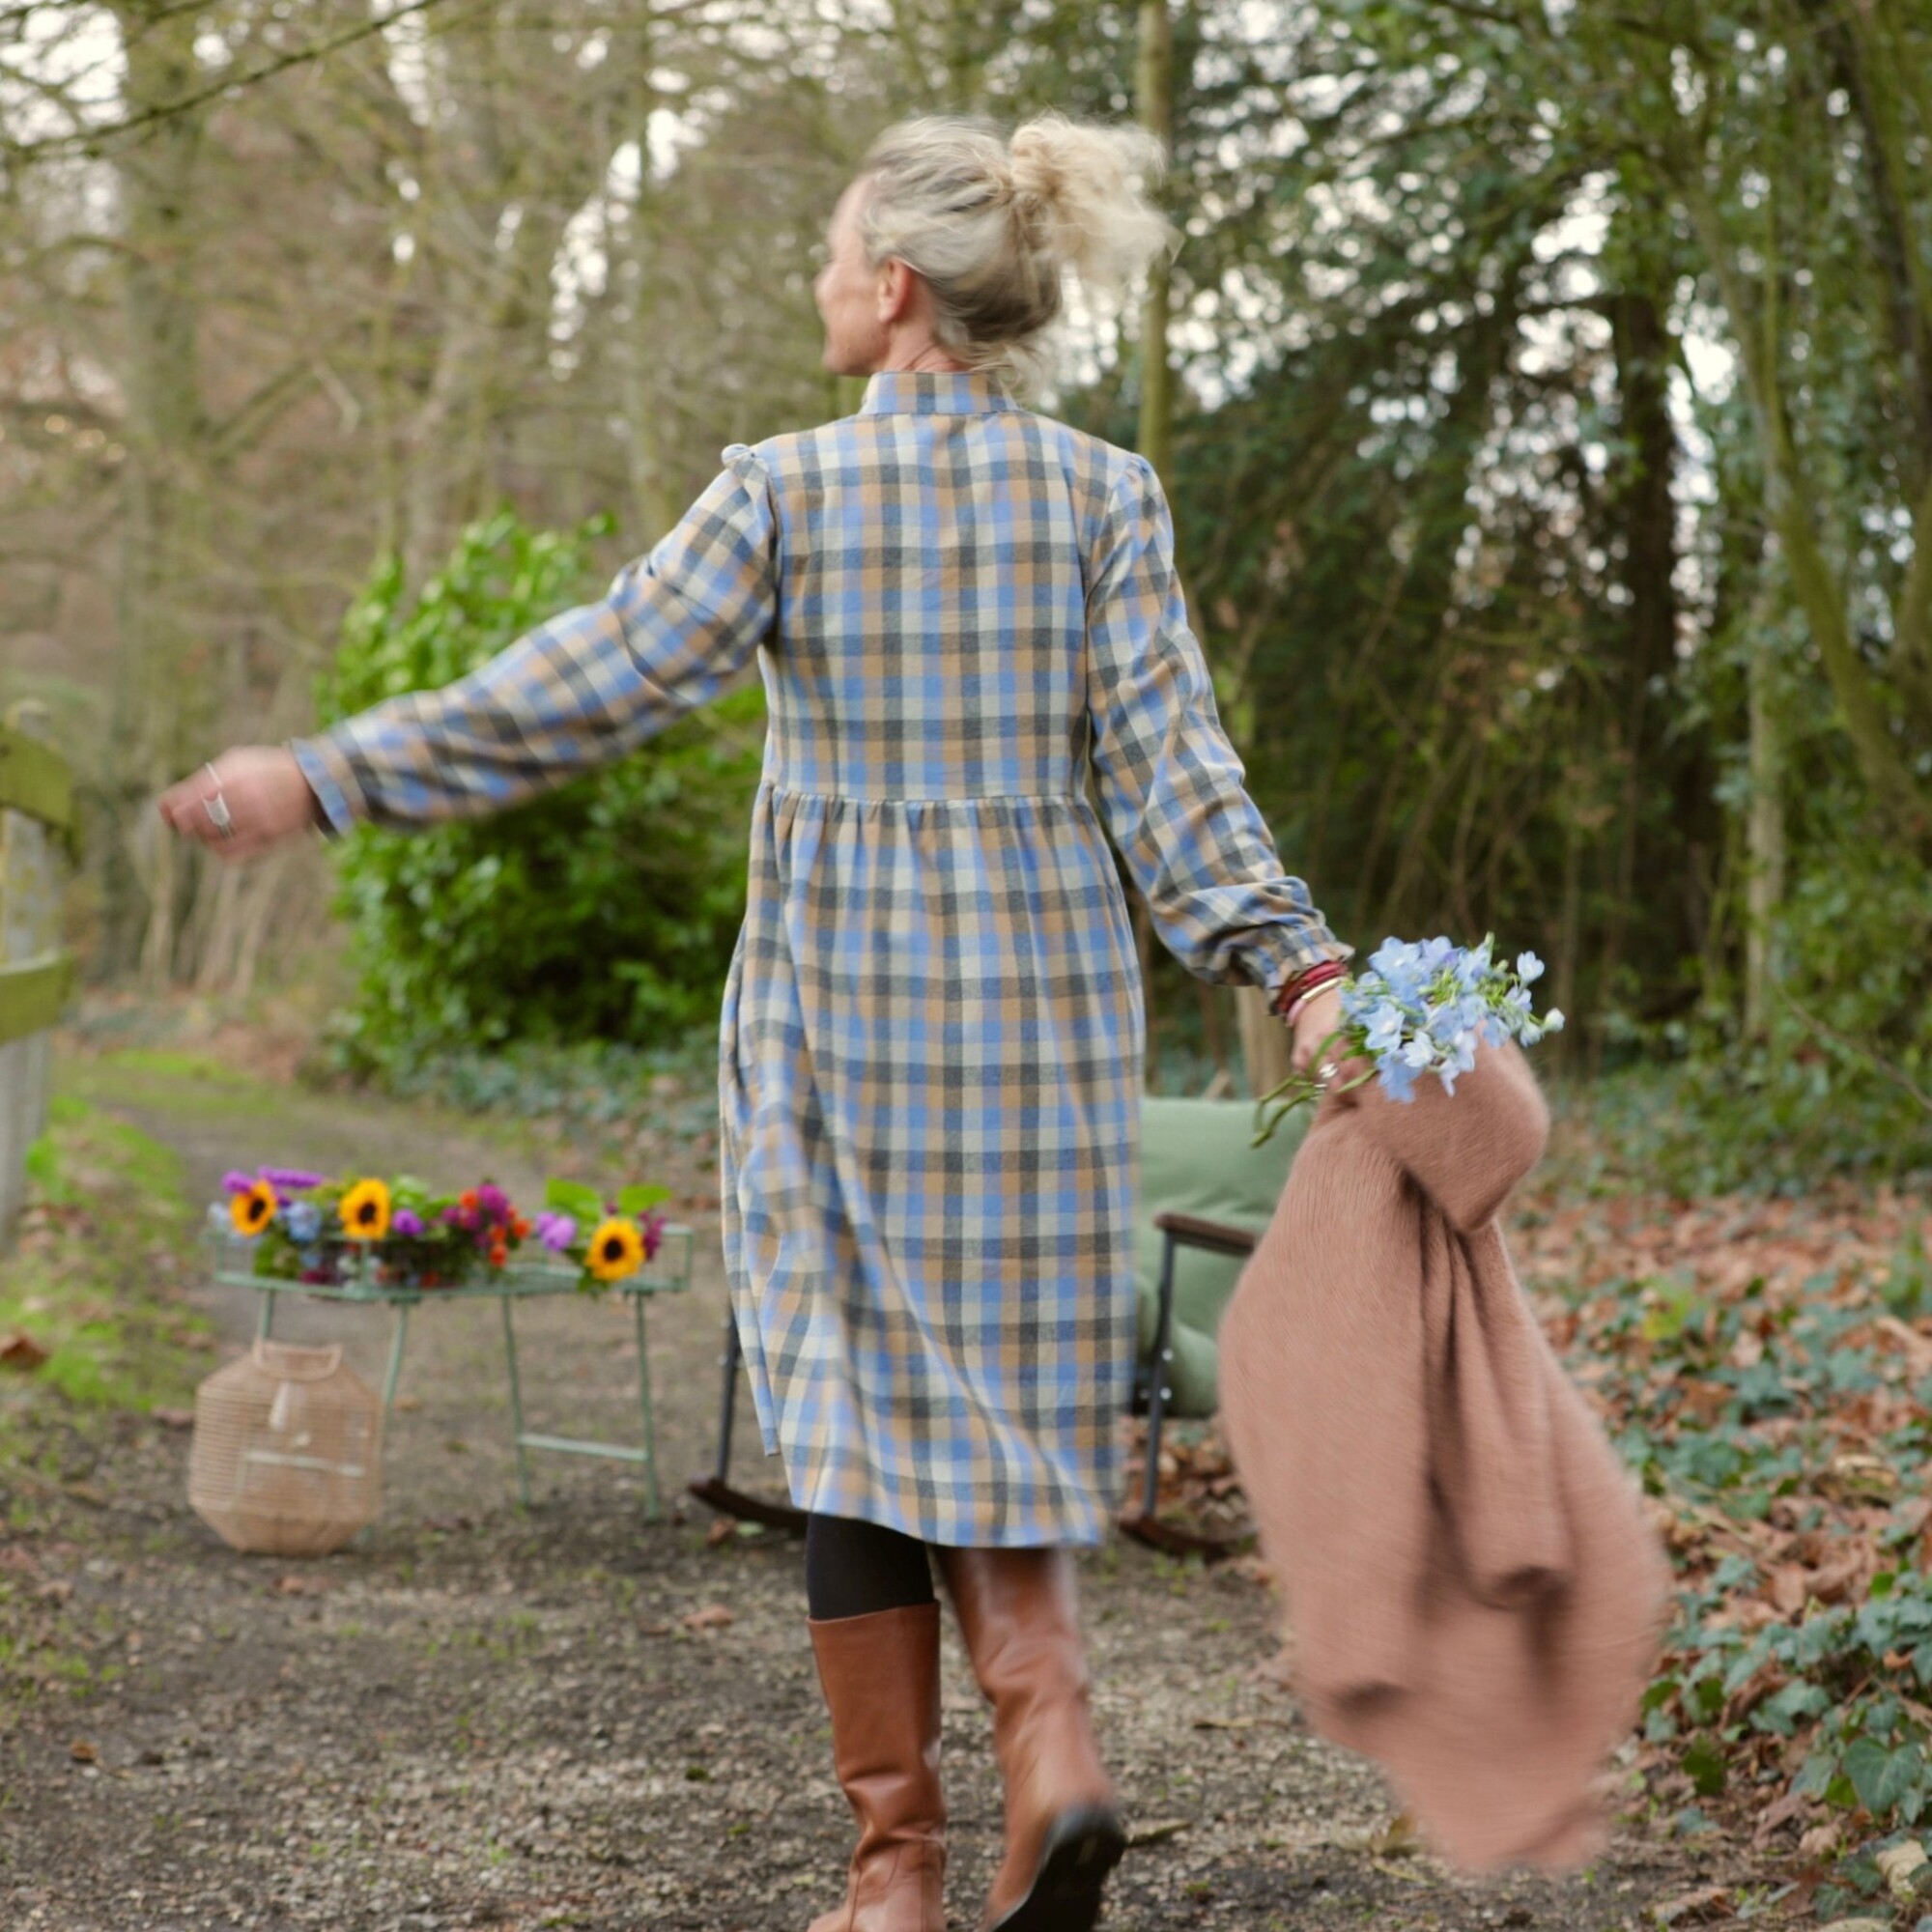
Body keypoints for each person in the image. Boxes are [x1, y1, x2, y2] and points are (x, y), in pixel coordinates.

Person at [160, 111, 1350, 1932]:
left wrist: (330, 776)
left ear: (896, 288)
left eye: (831, 254)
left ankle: (897, 1874)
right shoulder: (1105, 498)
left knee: (856, 1421)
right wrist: (1303, 966)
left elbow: (583, 684)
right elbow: (1180, 789)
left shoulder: (788, 491)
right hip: (1041, 1035)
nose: (816, 281)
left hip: (842, 1032)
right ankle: (1054, 1756)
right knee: (1006, 1406)